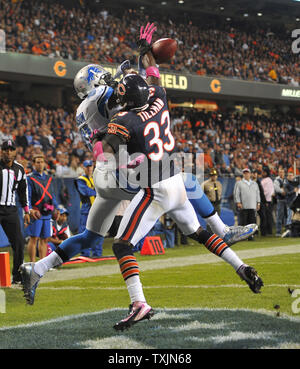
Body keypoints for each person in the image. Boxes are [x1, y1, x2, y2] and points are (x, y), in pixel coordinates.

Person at [19, 23, 258, 306]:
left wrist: (139, 60)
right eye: (105, 78)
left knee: (89, 236)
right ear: (96, 84)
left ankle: (36, 270)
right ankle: (221, 230)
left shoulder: (84, 109)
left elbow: (130, 92)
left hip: (106, 174)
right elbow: (134, 91)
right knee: (181, 180)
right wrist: (143, 57)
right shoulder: (107, 100)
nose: (111, 82)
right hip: (119, 170)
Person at [0, 140, 38, 284]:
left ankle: (16, 276)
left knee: (19, 243)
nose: (8, 152)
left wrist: (27, 211)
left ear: (15, 151)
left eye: (11, 149)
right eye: (5, 149)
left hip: (10, 209)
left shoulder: (19, 169)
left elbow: (23, 191)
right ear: (1, 151)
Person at [26, 154, 60, 261]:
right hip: (36, 213)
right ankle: (32, 264)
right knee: (34, 239)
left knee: (44, 240)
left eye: (41, 162)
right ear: (33, 164)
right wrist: (30, 210)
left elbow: (52, 195)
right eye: (38, 162)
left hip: (47, 213)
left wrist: (56, 208)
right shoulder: (30, 178)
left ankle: (42, 263)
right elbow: (28, 196)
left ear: (44, 163)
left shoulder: (49, 178)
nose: (40, 164)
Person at [75, 159, 103, 257]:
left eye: (90, 166)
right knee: (84, 232)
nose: (89, 168)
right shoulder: (81, 180)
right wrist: (98, 191)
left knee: (99, 231)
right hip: (86, 209)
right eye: (87, 166)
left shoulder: (96, 178)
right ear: (84, 168)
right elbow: (86, 192)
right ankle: (85, 253)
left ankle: (97, 253)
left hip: (97, 208)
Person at [234, 168, 261, 240]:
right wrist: (238, 202)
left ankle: (250, 236)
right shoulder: (239, 183)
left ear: (250, 174)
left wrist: (258, 202)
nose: (246, 174)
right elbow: (237, 194)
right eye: (245, 173)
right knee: (243, 221)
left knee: (252, 221)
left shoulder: (254, 183)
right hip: (244, 206)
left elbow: (257, 193)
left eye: (247, 173)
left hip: (252, 205)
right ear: (243, 174)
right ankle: (242, 236)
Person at [260, 166, 274, 235]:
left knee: (266, 217)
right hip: (268, 200)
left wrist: (265, 201)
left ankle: (268, 231)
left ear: (266, 173)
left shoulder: (267, 180)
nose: (262, 173)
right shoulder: (269, 180)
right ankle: (269, 231)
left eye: (263, 172)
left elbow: (267, 192)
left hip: (266, 201)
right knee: (268, 216)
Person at [274, 168, 287, 236]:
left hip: (286, 200)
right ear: (278, 173)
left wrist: (284, 190)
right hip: (280, 200)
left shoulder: (286, 179)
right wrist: (283, 191)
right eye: (280, 172)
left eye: (282, 172)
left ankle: (286, 230)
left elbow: (288, 187)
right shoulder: (277, 180)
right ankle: (278, 232)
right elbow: (277, 189)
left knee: (286, 216)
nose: (281, 173)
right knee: (279, 216)